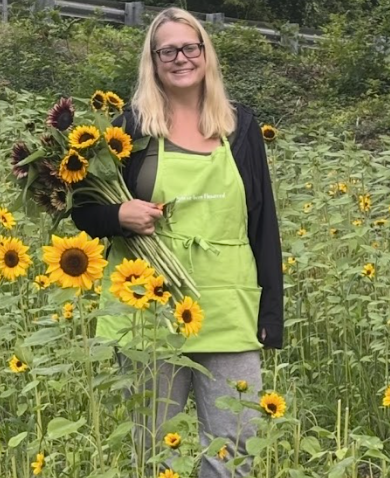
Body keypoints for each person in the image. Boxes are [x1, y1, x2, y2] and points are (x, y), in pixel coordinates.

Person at [71, 7, 283, 477]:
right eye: (167, 51)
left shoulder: (240, 127)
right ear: (152, 60)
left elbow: (263, 224)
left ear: (206, 53)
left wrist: (271, 314)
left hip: (228, 304)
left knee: (233, 448)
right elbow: (82, 210)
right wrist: (118, 216)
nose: (180, 58)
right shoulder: (130, 129)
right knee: (153, 451)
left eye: (190, 47)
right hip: (147, 309)